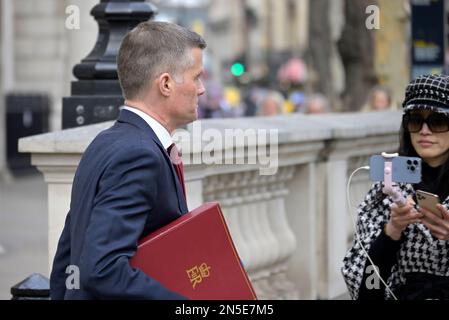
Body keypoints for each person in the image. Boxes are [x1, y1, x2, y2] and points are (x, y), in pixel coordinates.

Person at [49, 21, 206, 299]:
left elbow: (68, 251)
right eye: (196, 77)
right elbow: (103, 269)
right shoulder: (138, 155)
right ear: (166, 84)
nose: (202, 89)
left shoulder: (105, 142)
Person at [342, 74, 449, 300]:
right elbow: (365, 289)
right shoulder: (387, 188)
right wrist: (391, 231)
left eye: (438, 121)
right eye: (415, 120)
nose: (424, 131)